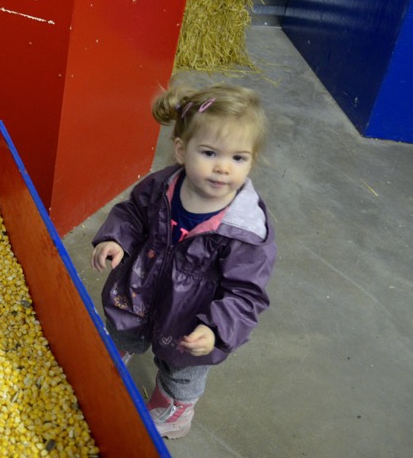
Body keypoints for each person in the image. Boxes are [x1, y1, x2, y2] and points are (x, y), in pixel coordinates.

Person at [90, 80, 277, 439]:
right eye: (209, 153)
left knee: (181, 369)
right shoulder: (161, 187)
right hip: (138, 292)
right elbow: (132, 215)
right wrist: (116, 239)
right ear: (180, 150)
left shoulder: (246, 231)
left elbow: (246, 294)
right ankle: (115, 357)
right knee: (123, 327)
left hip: (191, 322)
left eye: (238, 158)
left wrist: (216, 329)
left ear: (252, 160)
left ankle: (173, 410)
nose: (223, 168)